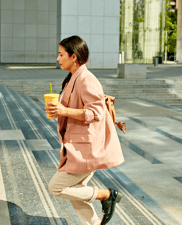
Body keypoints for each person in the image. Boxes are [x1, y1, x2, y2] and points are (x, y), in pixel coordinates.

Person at [45, 35, 124, 225]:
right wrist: (60, 112)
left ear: (74, 57)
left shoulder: (87, 79)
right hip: (77, 146)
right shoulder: (73, 77)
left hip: (85, 150)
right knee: (76, 190)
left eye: (61, 54)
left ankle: (106, 195)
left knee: (56, 187)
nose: (57, 58)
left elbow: (96, 112)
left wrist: (64, 110)